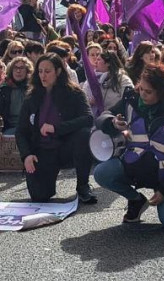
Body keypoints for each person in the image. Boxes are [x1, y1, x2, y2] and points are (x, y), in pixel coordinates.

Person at [93, 62, 164, 227]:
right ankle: (136, 200)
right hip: (135, 165)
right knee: (102, 173)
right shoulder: (132, 98)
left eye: (148, 92)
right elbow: (104, 116)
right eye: (141, 89)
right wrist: (113, 122)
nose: (142, 95)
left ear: (162, 93)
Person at [15, 53, 96, 204]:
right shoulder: (31, 97)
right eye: (40, 71)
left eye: (47, 71)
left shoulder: (75, 93)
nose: (43, 76)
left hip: (65, 147)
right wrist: (26, 155)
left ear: (58, 71)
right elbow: (20, 130)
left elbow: (88, 119)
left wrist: (56, 128)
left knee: (84, 134)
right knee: (39, 196)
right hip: (42, 151)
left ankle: (83, 186)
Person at [82, 50, 133, 115]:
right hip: (95, 120)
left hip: (115, 117)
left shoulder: (122, 79)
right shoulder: (91, 80)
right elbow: (83, 100)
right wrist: (90, 102)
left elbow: (128, 98)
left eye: (99, 60)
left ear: (108, 63)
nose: (95, 62)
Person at [0, 56, 34, 134]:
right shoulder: (4, 89)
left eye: (22, 68)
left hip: (29, 128)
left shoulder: (32, 89)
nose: (18, 71)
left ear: (27, 71)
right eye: (15, 68)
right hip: (8, 127)